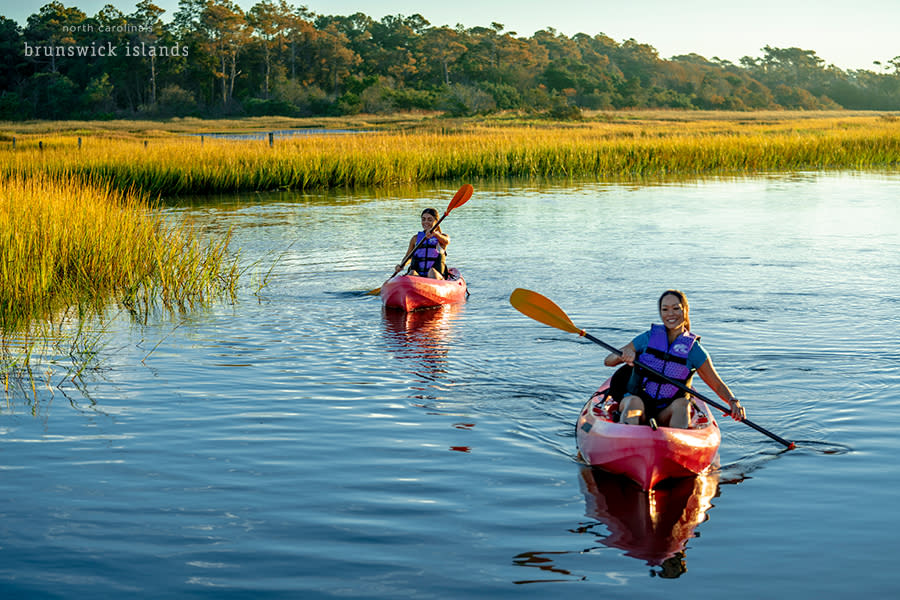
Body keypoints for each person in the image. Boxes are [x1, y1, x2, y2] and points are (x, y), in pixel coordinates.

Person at [603, 289, 745, 429]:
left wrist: (733, 402)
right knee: (633, 402)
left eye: (676, 308)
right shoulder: (647, 338)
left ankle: (677, 445)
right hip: (638, 406)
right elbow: (608, 361)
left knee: (682, 404)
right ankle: (626, 437)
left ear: (685, 310)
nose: (670, 314)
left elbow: (717, 384)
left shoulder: (694, 350)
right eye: (665, 310)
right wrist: (623, 354)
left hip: (667, 412)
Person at [393, 207, 450, 279]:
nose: (426, 222)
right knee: (412, 272)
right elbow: (408, 256)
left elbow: (447, 241)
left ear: (436, 222)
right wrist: (401, 265)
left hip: (436, 276)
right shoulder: (415, 238)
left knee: (432, 272)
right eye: (423, 219)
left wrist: (435, 234)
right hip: (418, 276)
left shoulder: (441, 237)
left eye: (430, 220)